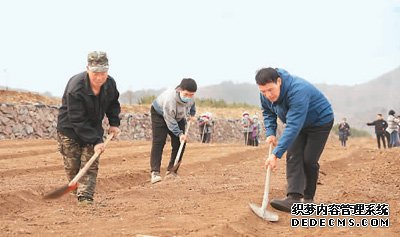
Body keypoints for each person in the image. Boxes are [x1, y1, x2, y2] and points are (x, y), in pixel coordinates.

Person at [256, 67, 334, 213]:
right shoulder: (265, 94)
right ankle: (293, 198)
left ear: (279, 81)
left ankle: (309, 199)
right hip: (298, 123)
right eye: (263, 91)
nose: (267, 95)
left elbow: (293, 126)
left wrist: (275, 154)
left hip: (319, 121)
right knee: (293, 156)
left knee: (309, 159)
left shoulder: (298, 91)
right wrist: (271, 132)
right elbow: (267, 111)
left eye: (270, 90)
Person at [56, 51, 121, 204]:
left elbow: (113, 104)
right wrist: (97, 140)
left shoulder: (110, 84)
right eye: (95, 73)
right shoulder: (76, 88)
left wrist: (114, 123)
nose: (99, 77)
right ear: (88, 69)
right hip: (70, 130)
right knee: (73, 166)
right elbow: (77, 120)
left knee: (90, 163)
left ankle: (85, 198)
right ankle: (76, 192)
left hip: (93, 127)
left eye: (103, 73)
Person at [150, 78, 197, 184]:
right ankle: (155, 172)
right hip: (160, 114)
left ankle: (172, 171)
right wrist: (179, 133)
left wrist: (192, 114)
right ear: (180, 90)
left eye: (191, 95)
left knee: (181, 143)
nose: (189, 97)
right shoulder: (170, 99)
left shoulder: (191, 97)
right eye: (186, 94)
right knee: (159, 141)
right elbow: (170, 120)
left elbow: (192, 106)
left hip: (178, 117)